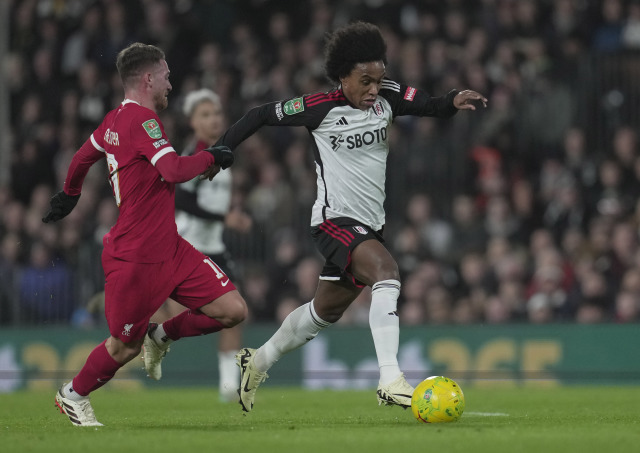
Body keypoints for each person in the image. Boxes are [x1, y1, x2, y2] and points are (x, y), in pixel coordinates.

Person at [205, 21, 487, 412]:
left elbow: (429, 105)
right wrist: (221, 151)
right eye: (365, 81)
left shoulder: (389, 96)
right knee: (387, 273)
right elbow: (259, 114)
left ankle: (259, 360)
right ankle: (390, 378)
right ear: (343, 77)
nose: (374, 89)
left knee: (324, 312)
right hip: (333, 222)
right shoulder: (319, 108)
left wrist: (453, 99)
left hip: (369, 226)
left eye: (379, 78)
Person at [43, 43, 246, 427]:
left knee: (233, 310)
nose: (171, 83)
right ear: (149, 79)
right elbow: (171, 170)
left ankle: (162, 336)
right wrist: (213, 157)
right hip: (135, 257)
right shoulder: (143, 121)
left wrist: (70, 193)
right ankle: (72, 395)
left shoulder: (113, 121)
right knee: (123, 347)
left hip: (170, 248)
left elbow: (83, 156)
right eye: (167, 76)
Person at [150, 88, 251, 401]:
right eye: (205, 115)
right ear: (192, 122)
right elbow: (183, 199)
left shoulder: (221, 151)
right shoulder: (194, 154)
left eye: (216, 113)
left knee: (235, 314)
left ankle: (228, 389)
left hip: (214, 246)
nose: (213, 119)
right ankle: (151, 327)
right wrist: (225, 217)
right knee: (181, 315)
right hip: (189, 244)